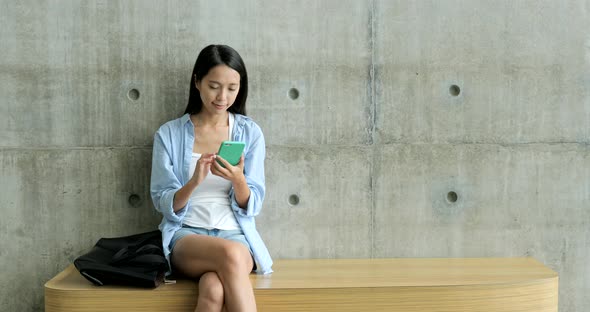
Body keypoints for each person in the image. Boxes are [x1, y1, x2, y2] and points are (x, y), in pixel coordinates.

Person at [150, 44, 273, 312]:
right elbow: (162, 201)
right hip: (187, 236)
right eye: (214, 86)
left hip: (236, 235)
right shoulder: (168, 134)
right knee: (228, 256)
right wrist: (194, 181)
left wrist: (238, 179)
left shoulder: (249, 133)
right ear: (197, 82)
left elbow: (254, 202)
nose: (223, 96)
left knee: (213, 288)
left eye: (232, 88)